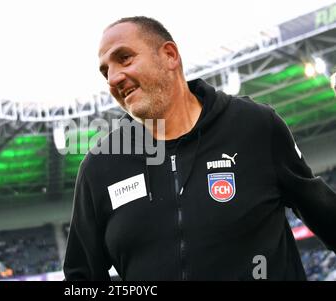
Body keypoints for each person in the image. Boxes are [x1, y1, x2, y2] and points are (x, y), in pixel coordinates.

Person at [63, 16, 336, 280]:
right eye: (105, 71)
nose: (113, 78)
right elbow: (81, 277)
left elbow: (322, 211)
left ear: (170, 55)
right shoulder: (100, 167)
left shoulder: (254, 126)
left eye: (124, 58)